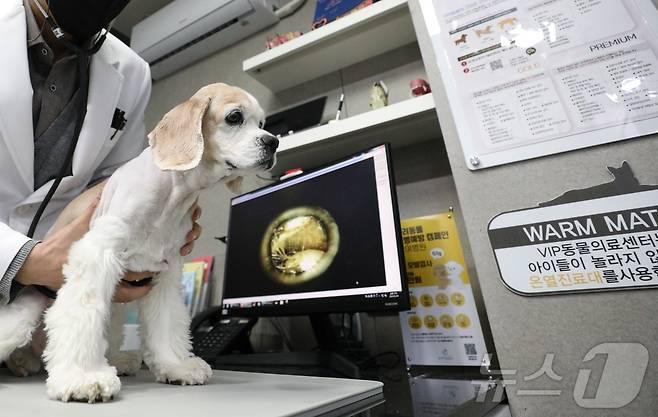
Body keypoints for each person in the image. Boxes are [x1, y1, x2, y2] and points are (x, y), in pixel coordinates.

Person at [0, 0, 202, 306]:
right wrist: (23, 260)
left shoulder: (133, 73)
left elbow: (113, 184)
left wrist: (149, 222)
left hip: (39, 303)